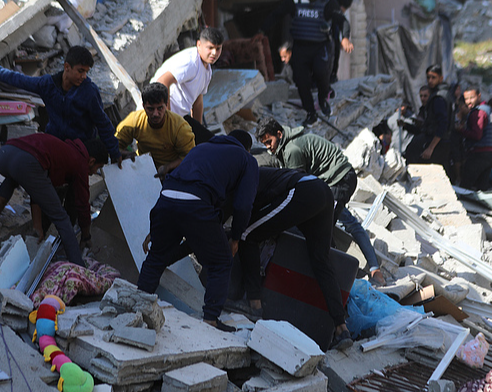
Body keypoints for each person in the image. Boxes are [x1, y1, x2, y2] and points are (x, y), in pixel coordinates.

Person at [137, 132, 258, 331]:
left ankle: (137, 306)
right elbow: (243, 205)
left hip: (166, 199)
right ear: (247, 148)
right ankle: (210, 318)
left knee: (156, 257)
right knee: (221, 260)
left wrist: (158, 226)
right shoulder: (246, 159)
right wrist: (236, 237)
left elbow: (175, 183)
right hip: (196, 203)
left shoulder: (201, 148)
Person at [255, 117, 385, 284]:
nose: (268, 148)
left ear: (279, 134)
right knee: (348, 222)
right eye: (264, 144)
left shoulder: (291, 150)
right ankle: (373, 268)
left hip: (339, 179)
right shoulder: (286, 145)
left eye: (269, 142)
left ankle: (340, 274)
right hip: (333, 180)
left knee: (322, 225)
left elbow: (296, 186)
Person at [237, 166, 353, 350]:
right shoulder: (260, 172)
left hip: (303, 190)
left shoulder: (246, 178)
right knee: (321, 261)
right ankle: (341, 328)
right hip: (323, 192)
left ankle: (253, 304)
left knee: (246, 235)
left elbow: (254, 213)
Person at [0, 46, 121, 163]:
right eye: (80, 71)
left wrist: (115, 154)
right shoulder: (47, 84)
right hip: (54, 145)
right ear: (67, 67)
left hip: (79, 150)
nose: (83, 76)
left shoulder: (89, 91)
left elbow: (103, 123)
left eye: (86, 72)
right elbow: (14, 78)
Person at [0, 135, 108, 264]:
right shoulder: (80, 163)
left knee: (13, 178)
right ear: (91, 161)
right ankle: (78, 266)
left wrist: (37, 226)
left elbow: (37, 188)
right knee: (61, 218)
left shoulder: (66, 148)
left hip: (4, 154)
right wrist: (86, 236)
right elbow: (83, 204)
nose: (95, 172)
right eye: (98, 167)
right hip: (26, 164)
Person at [257, 0, 348, 126]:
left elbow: (342, 21)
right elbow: (277, 14)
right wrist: (262, 30)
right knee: (301, 80)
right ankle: (310, 113)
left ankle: (322, 100)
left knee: (321, 72)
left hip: (320, 46)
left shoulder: (327, 1)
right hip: (300, 46)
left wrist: (344, 37)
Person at [153, 27, 224, 144]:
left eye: (218, 49)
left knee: (209, 144)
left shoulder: (207, 69)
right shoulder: (190, 62)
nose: (214, 53)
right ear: (199, 45)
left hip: (180, 118)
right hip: (160, 117)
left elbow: (198, 100)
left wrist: (198, 130)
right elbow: (162, 82)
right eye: (210, 48)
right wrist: (168, 119)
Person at [115, 83, 195, 177]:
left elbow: (190, 157)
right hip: (143, 170)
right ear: (143, 106)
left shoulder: (180, 128)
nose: (155, 114)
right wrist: (126, 154)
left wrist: (168, 167)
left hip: (174, 173)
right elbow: (113, 146)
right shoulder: (134, 122)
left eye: (160, 108)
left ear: (166, 105)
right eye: (150, 109)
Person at [408, 66, 452, 168]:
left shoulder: (438, 98)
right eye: (428, 77)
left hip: (437, 143)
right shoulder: (443, 94)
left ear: (441, 78)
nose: (430, 80)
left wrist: (430, 148)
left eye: (433, 77)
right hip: (439, 142)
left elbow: (442, 124)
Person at [456, 86, 492, 191]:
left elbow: (477, 135)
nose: (469, 102)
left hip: (478, 155)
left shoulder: (477, 112)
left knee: (465, 187)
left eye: (471, 98)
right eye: (466, 99)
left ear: (479, 96)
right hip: (489, 154)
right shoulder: (488, 109)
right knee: (481, 189)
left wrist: (461, 130)